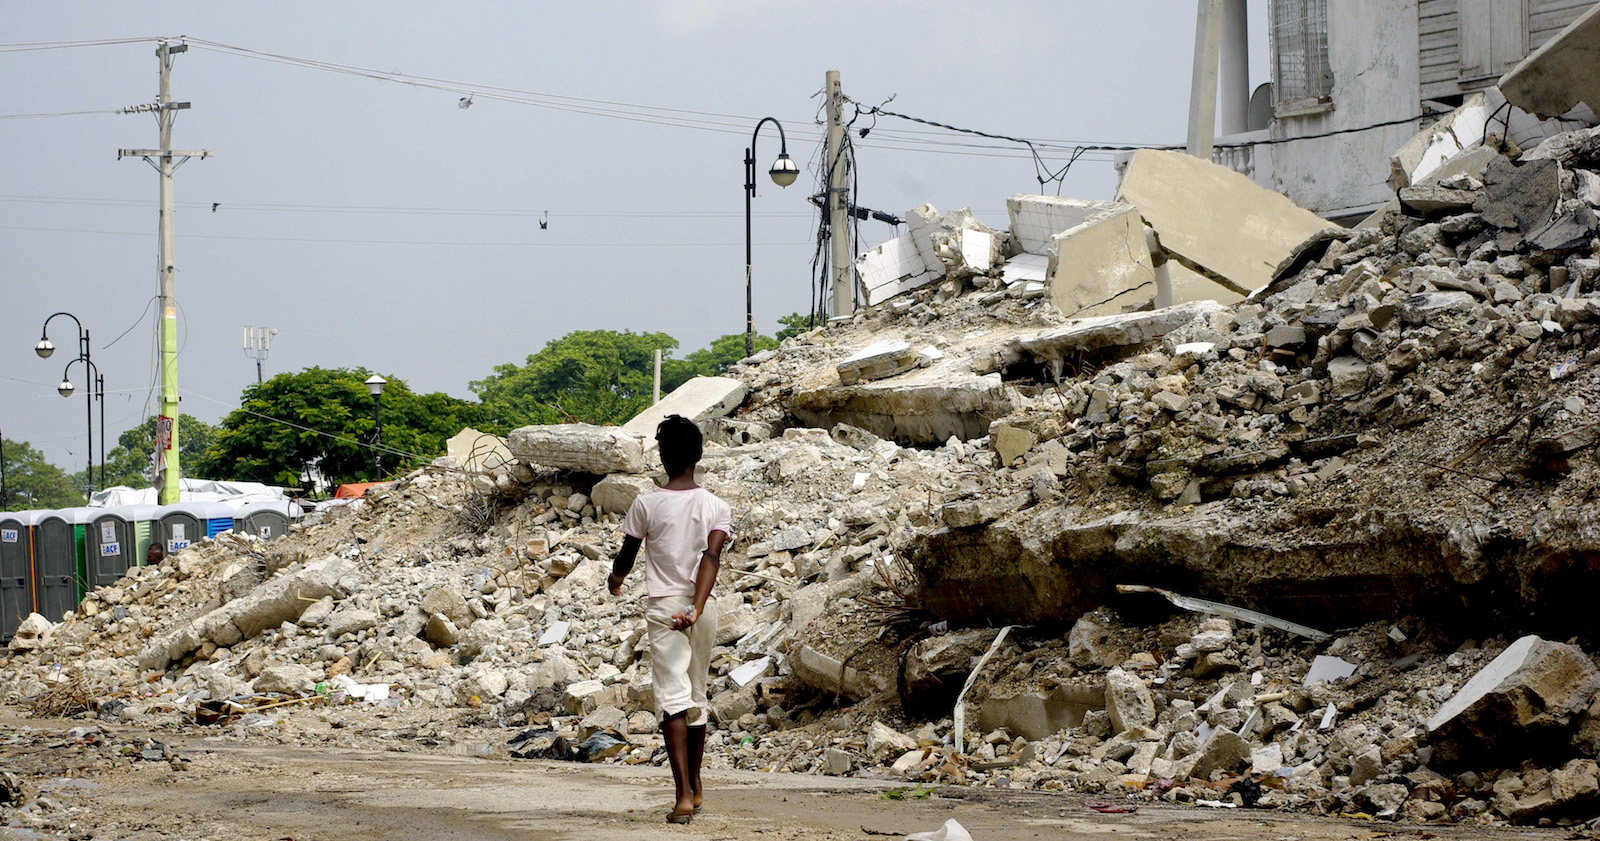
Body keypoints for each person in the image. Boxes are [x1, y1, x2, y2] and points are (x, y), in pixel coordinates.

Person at [607, 414, 730, 825]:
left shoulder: (647, 502)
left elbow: (628, 551)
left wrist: (616, 578)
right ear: (698, 456)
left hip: (663, 607)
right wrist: (696, 607)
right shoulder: (715, 505)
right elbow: (710, 558)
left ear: (663, 457)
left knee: (672, 699)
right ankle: (695, 789)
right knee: (696, 693)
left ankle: (680, 796)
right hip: (701, 606)